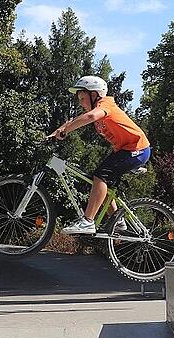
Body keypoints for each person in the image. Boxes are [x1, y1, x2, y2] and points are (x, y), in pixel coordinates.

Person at [48, 75, 151, 234]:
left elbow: (90, 116)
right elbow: (74, 120)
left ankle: (88, 221)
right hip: (126, 151)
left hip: (137, 149)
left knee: (100, 175)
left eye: (82, 98)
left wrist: (66, 130)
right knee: (99, 182)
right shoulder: (96, 110)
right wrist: (57, 132)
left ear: (94, 95)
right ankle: (118, 219)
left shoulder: (105, 104)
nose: (80, 103)